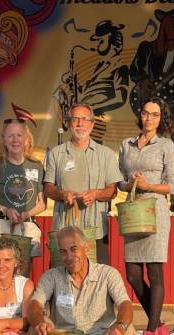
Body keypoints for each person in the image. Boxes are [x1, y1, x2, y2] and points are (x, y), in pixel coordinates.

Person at [118, 97, 174, 335]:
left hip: (155, 213)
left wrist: (149, 186)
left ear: (160, 118)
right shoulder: (126, 145)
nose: (149, 118)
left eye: (154, 114)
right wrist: (129, 182)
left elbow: (172, 186)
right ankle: (161, 328)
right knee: (132, 275)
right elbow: (118, 181)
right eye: (145, 113)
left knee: (155, 273)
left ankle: (151, 332)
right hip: (133, 213)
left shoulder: (166, 145)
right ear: (140, 115)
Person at [129, 9, 174, 211]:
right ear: (164, 25)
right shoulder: (148, 48)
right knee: (149, 152)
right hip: (153, 106)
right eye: (173, 25)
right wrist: (143, 81)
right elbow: (134, 69)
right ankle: (148, 194)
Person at [44, 104, 123, 265]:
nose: (80, 123)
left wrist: (96, 194)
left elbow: (112, 191)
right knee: (62, 282)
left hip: (96, 231)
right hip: (64, 230)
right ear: (68, 123)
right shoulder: (56, 154)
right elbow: (48, 188)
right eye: (75, 119)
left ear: (92, 124)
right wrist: (62, 194)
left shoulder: (106, 154)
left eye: (85, 119)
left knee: (97, 282)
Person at [0, 119, 46, 267]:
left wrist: (27, 214)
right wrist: (5, 210)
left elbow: (42, 203)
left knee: (22, 276)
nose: (15, 140)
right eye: (10, 136)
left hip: (26, 228)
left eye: (19, 135)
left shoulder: (36, 166)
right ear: (3, 139)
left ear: (26, 138)